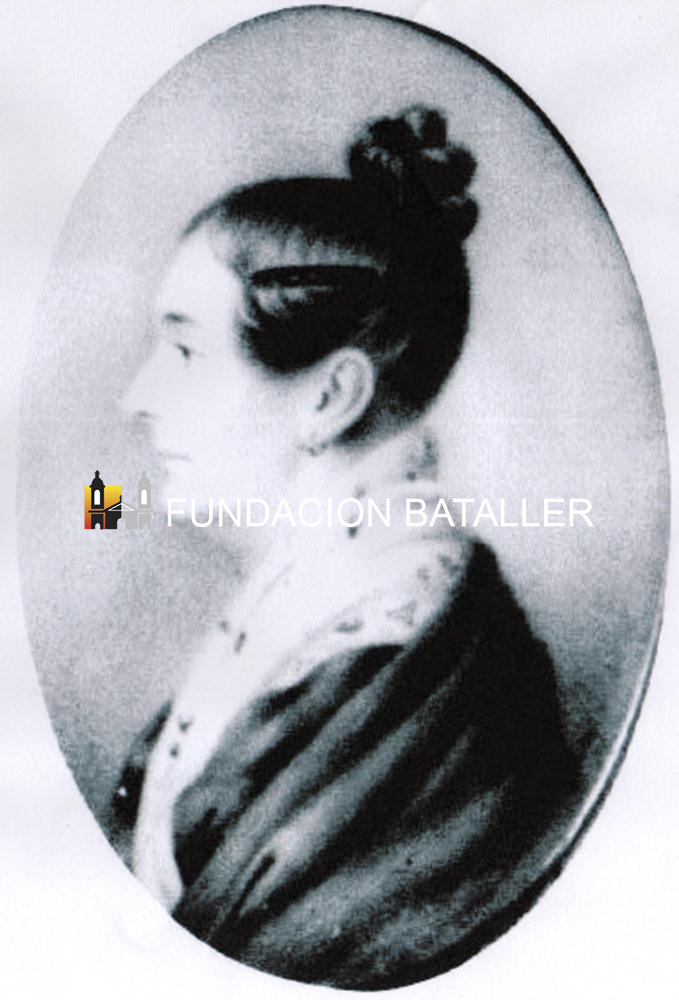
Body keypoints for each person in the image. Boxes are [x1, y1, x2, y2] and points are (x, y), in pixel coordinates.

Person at [108, 106, 579, 989]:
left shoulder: (408, 658)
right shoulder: (313, 600)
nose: (137, 396)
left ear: (329, 399)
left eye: (184, 350)